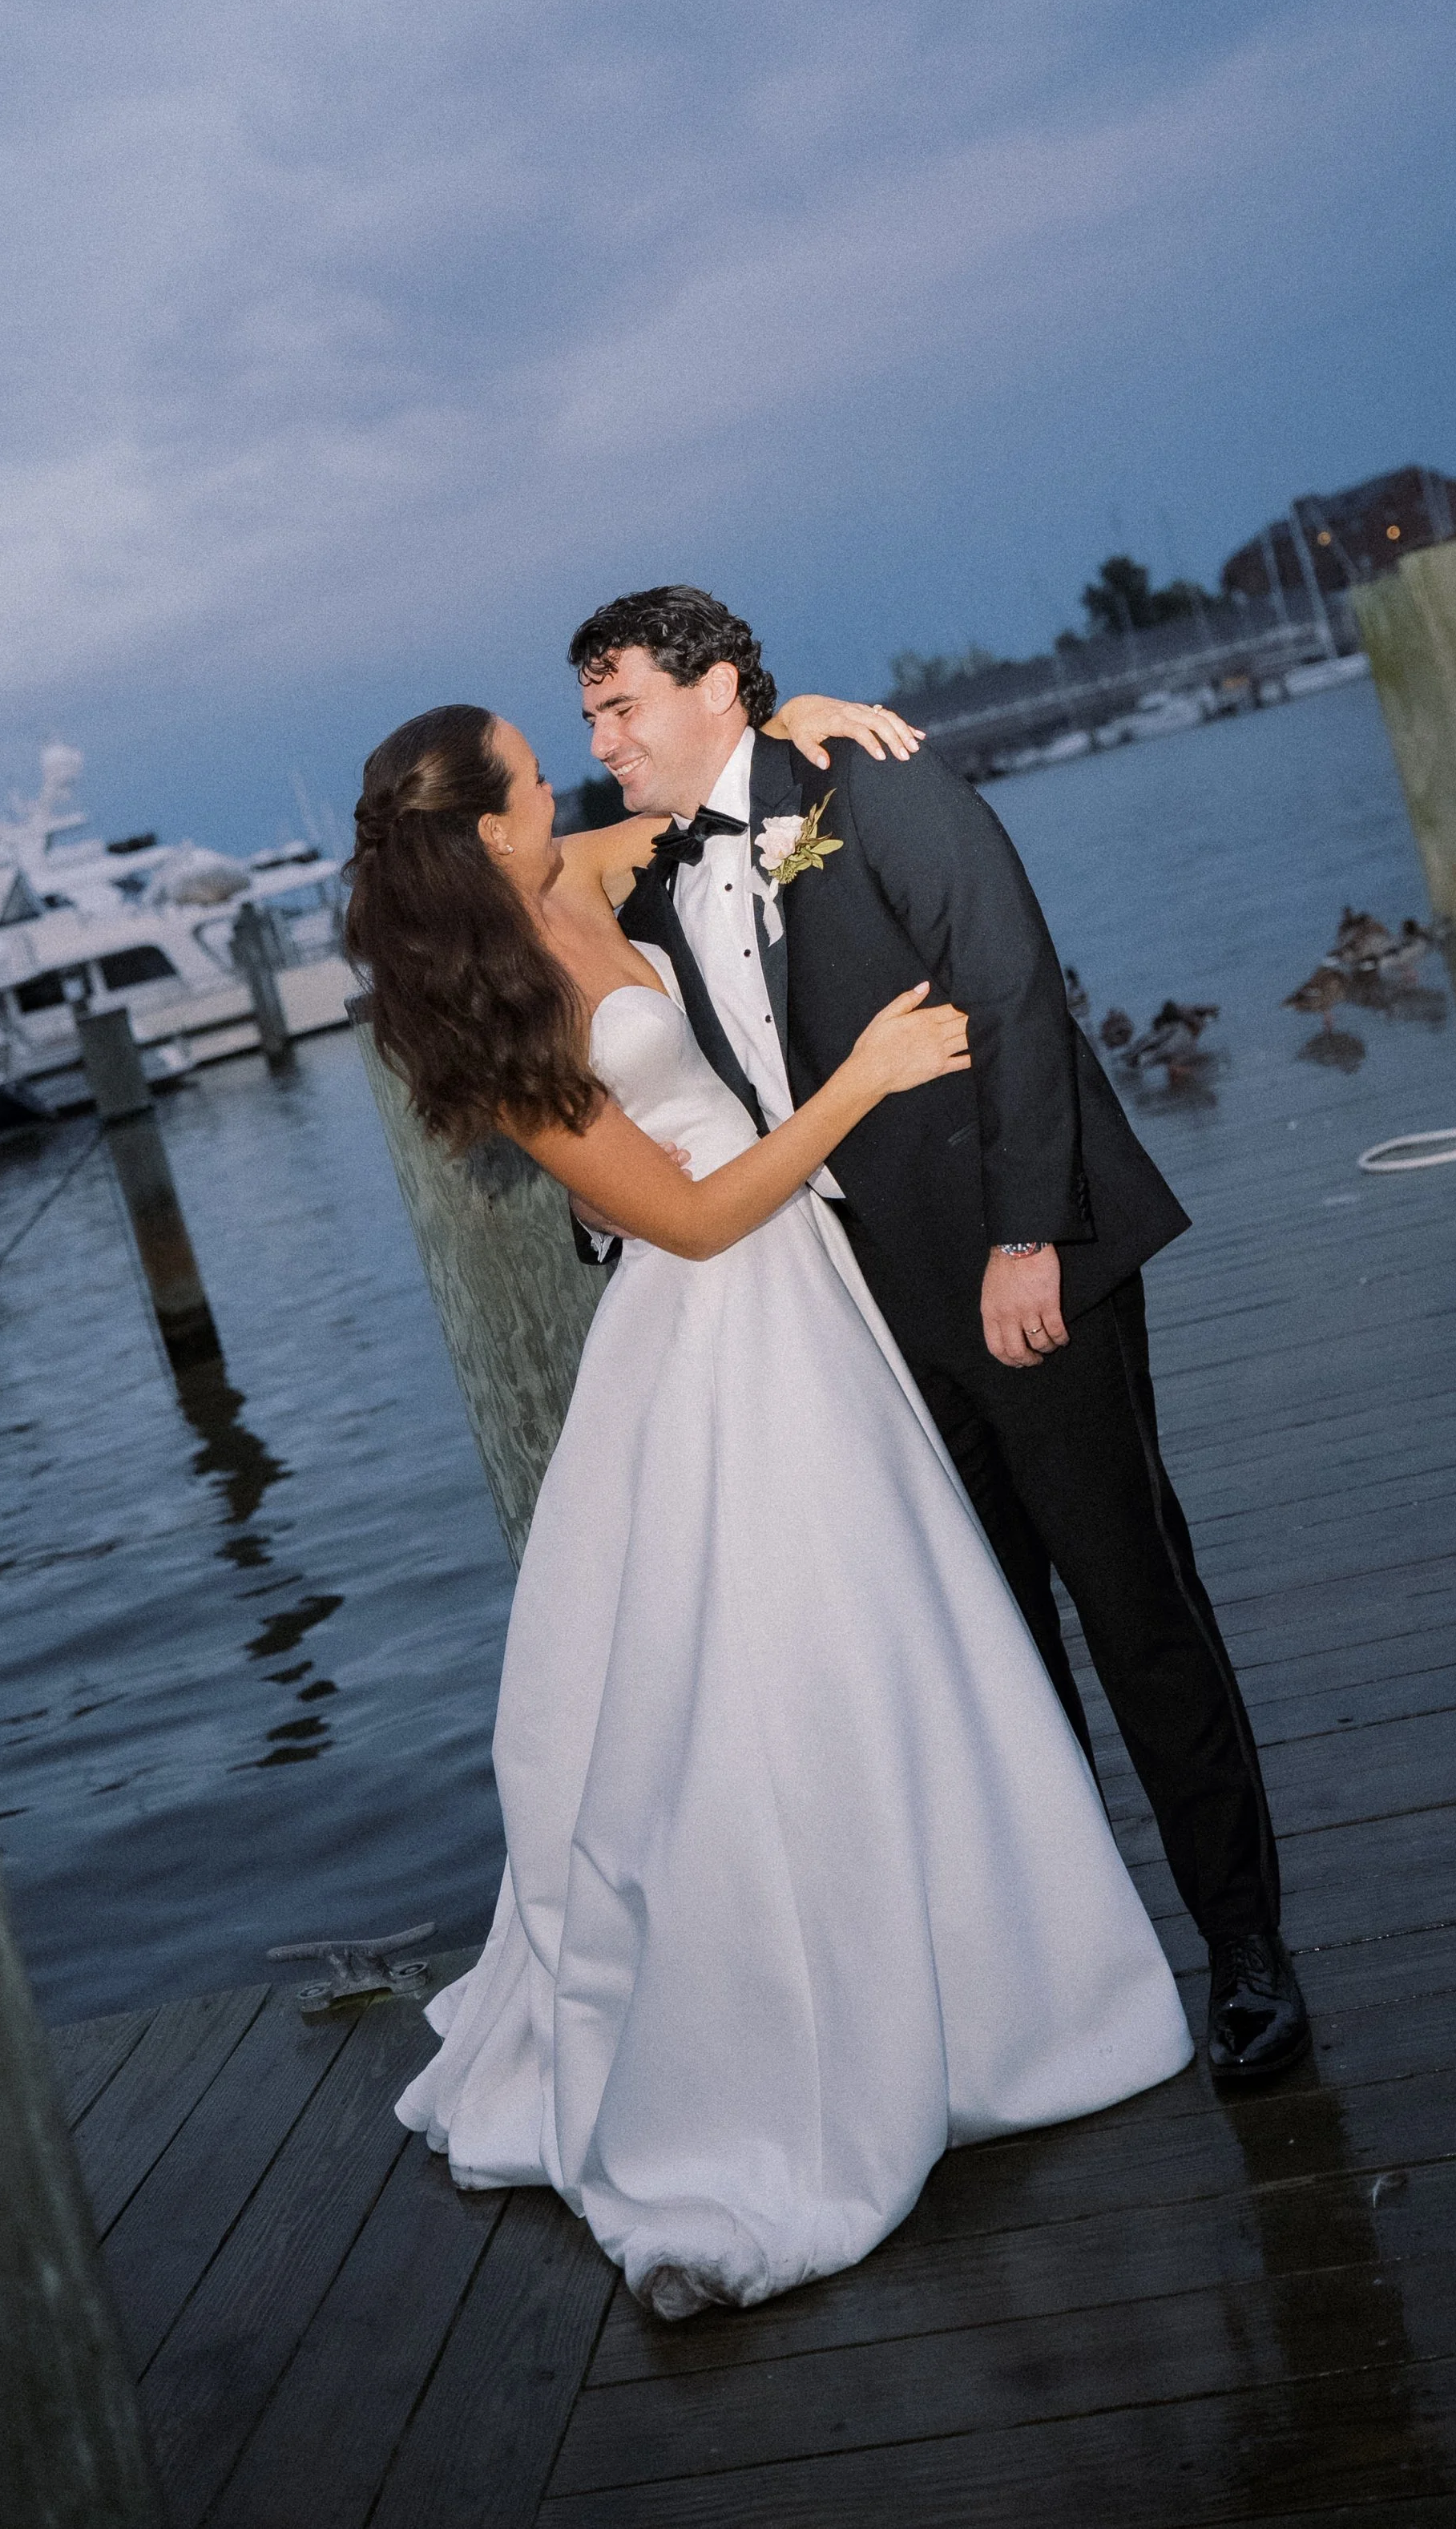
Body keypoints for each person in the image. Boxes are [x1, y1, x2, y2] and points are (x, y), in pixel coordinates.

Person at [348, 691, 1192, 2321]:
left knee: (896, 1641)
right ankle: (763, 2072)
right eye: (537, 774)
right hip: (718, 1322)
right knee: (759, 1689)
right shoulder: (497, 1019)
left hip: (820, 1301)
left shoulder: (573, 884)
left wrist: (785, 715)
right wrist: (864, 1079)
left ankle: (991, 1975)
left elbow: (706, 812)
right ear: (477, 828)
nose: (569, 776)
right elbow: (689, 1213)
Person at [567, 586, 1309, 2091]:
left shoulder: (878, 781)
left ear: (714, 685)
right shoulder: (654, 878)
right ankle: (1067, 1963)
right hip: (859, 1311)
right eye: (588, 716)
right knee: (992, 1641)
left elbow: (1014, 982)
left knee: (1132, 1603)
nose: (604, 738)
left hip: (1021, 1265)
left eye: (623, 703)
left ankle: (1246, 1952)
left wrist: (1027, 1233)